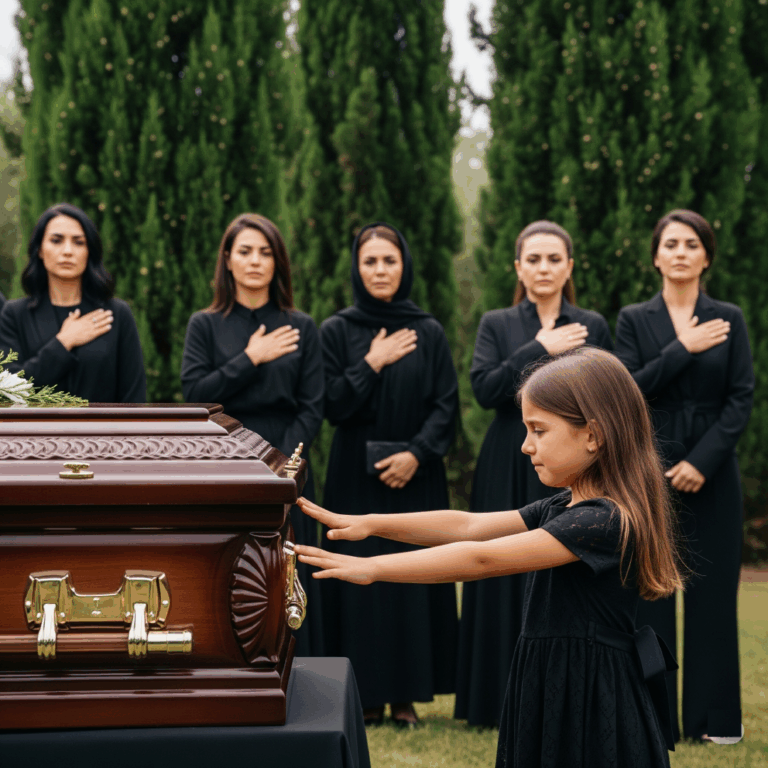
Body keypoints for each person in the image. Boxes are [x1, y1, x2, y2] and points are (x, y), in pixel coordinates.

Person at [295, 347, 684, 768]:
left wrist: (373, 568)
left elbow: (481, 558)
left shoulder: (602, 521)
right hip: (556, 676)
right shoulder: (565, 507)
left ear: (593, 434)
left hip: (590, 690)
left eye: (538, 430)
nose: (525, 446)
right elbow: (469, 526)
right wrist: (372, 523)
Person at [456, 220, 613, 727]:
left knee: (560, 569)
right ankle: (493, 698)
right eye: (534, 260)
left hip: (577, 460)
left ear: (569, 267)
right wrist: (539, 349)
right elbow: (484, 390)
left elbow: (609, 395)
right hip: (510, 451)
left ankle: (557, 688)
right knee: (503, 561)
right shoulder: (498, 322)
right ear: (518, 268)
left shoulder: (591, 323)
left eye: (554, 259)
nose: (543, 268)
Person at [614, 209, 753, 743]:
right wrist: (682, 349)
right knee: (652, 593)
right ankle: (655, 721)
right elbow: (629, 388)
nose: (679, 252)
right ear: (656, 256)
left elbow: (741, 397)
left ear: (706, 256)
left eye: (690, 244)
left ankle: (714, 723)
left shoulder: (730, 317)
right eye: (670, 243)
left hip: (714, 473)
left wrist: (703, 461)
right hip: (650, 470)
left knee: (713, 595)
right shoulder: (633, 319)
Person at [319, 222, 459, 727]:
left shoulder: (429, 331)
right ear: (357, 268)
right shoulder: (336, 330)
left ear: (405, 266)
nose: (381, 270)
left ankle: (407, 697)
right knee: (362, 582)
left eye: (390, 261)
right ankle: (367, 694)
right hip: (354, 476)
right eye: (370, 261)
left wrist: (417, 454)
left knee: (412, 580)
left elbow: (447, 405)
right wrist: (371, 363)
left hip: (415, 477)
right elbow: (331, 403)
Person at [180, 212, 325, 657]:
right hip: (225, 459)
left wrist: (287, 463)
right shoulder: (204, 325)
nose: (255, 261)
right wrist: (250, 358)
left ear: (278, 262)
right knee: (227, 569)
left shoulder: (301, 326)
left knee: (290, 569)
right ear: (227, 259)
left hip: (289, 458)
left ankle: (298, 664)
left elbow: (313, 403)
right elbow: (197, 394)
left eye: (265, 252)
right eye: (245, 251)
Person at [0, 203, 145, 402]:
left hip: (105, 432)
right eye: (56, 240)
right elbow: (9, 393)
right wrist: (63, 342)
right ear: (40, 250)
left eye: (79, 242)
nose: (68, 251)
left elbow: (134, 397)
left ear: (89, 251)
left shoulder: (116, 314)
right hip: (35, 432)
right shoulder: (14, 314)